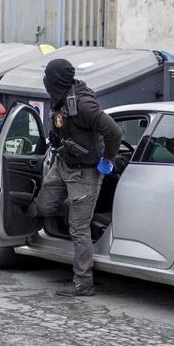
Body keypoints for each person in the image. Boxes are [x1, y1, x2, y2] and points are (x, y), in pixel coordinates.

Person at [31, 59, 121, 297]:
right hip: (63, 164)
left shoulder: (83, 104)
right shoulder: (60, 97)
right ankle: (76, 208)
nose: (45, 81)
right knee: (43, 205)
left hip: (85, 172)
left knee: (78, 228)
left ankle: (83, 282)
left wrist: (108, 159)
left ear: (57, 79)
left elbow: (114, 131)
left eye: (48, 77)